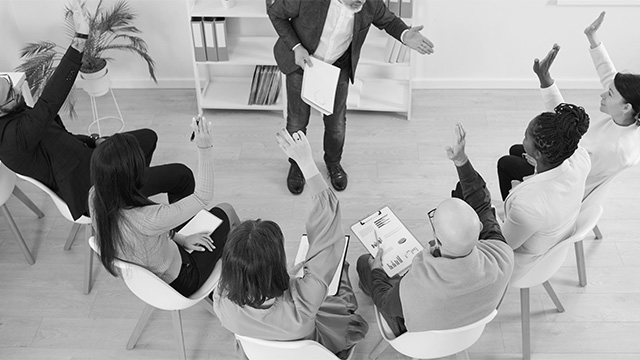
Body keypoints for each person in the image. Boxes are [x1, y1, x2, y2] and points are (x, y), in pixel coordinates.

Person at [0, 0, 194, 221]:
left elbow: (60, 139)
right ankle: (181, 238)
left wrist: (92, 141)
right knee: (182, 176)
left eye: (9, 84)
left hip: (89, 161)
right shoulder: (12, 139)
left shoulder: (15, 117)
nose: (16, 91)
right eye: (9, 95)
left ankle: (132, 200)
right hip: (93, 192)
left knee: (148, 138)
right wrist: (80, 38)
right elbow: (49, 102)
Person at [213, 129, 368, 359]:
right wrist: (306, 162)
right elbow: (329, 231)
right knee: (340, 277)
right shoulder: (304, 301)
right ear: (277, 263)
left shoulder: (222, 303)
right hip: (311, 349)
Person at [356, 123, 514, 337]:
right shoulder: (502, 255)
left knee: (365, 262)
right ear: (479, 227)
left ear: (435, 240)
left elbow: (385, 300)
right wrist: (461, 161)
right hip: (471, 329)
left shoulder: (414, 288)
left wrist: (376, 271)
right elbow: (483, 204)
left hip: (418, 338)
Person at [267, 0, 435, 194]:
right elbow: (276, 13)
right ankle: (298, 164)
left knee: (336, 125)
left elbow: (388, 21)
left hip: (338, 66)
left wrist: (405, 35)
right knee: (296, 122)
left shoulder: (368, 2)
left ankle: (333, 163)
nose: (361, 1)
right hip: (301, 63)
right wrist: (296, 47)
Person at [497, 11, 640, 201]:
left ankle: (514, 215)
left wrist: (540, 166)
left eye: (610, 93)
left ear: (626, 107)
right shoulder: (627, 118)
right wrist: (592, 36)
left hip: (565, 189)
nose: (603, 93)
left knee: (506, 163)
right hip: (572, 162)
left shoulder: (615, 149)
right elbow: (609, 75)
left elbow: (572, 174)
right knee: (517, 150)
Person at [89, 117, 240, 297]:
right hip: (182, 279)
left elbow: (143, 236)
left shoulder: (95, 196)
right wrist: (204, 147)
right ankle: (246, 264)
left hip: (148, 280)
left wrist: (181, 239)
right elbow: (203, 196)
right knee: (226, 210)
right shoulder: (149, 217)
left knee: (185, 185)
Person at [501, 103, 591, 282]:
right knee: (510, 157)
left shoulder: (529, 206)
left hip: (523, 263)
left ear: (539, 154)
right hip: (554, 232)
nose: (523, 138)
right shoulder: (581, 158)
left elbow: (502, 246)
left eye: (526, 136)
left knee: (464, 198)